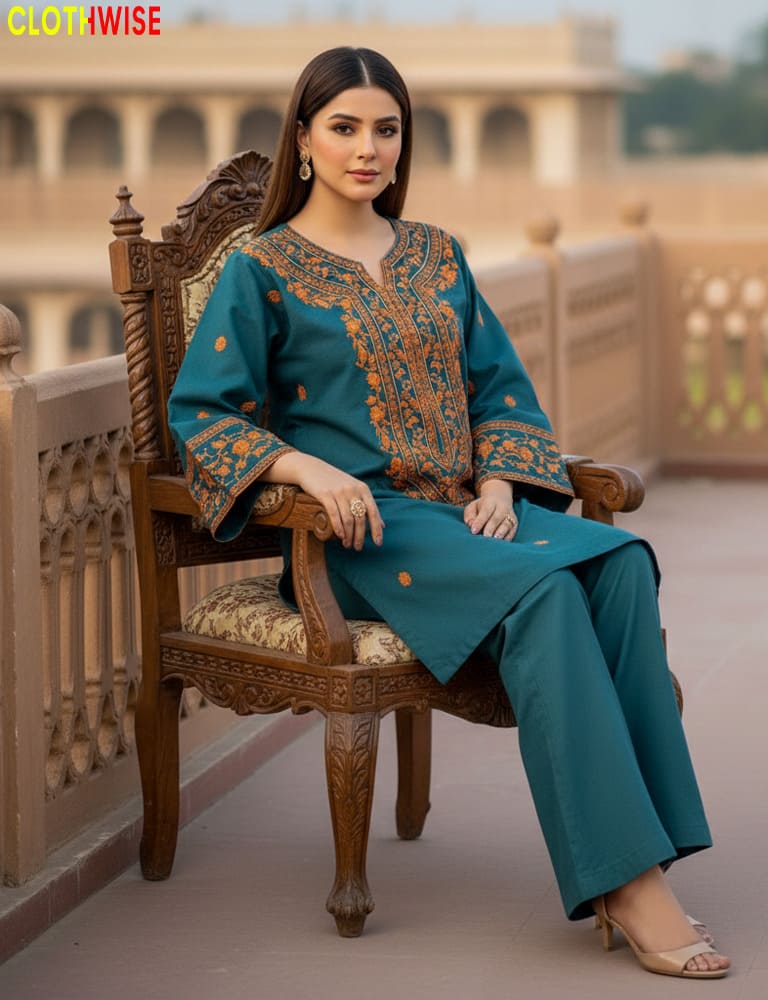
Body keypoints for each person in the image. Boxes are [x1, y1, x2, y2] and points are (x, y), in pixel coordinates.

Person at [167, 46, 729, 979]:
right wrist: (306, 469)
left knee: (619, 560)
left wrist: (503, 483)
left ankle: (649, 853)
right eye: (344, 127)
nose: (367, 148)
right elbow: (204, 414)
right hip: (364, 531)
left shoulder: (435, 253)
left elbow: (500, 391)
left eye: (385, 129)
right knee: (550, 596)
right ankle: (625, 885)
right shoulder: (260, 269)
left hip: (465, 513)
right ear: (304, 138)